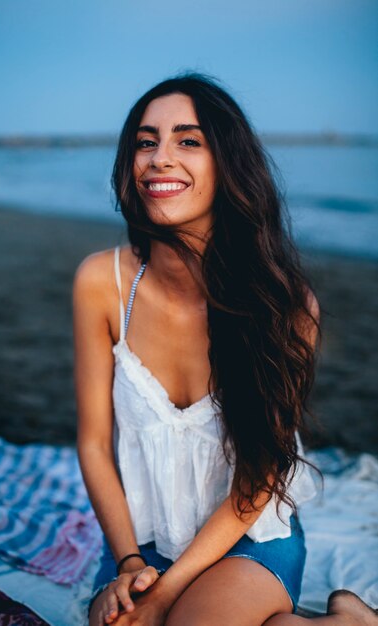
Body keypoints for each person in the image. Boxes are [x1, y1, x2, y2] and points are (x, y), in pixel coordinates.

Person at [73, 74, 378, 626]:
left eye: (188, 141)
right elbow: (94, 443)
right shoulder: (102, 282)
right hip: (142, 542)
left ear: (228, 164)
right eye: (146, 141)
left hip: (247, 536)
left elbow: (259, 478)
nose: (160, 158)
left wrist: (167, 596)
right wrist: (129, 564)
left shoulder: (284, 304)